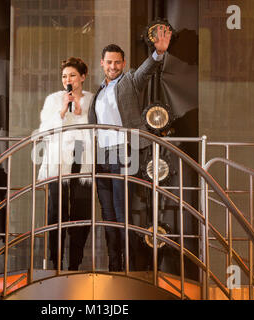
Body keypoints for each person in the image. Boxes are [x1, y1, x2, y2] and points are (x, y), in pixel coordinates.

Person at [88, 25, 172, 271]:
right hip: (102, 155)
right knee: (108, 214)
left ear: (123, 64)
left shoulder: (129, 81)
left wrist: (158, 53)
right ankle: (114, 266)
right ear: (102, 64)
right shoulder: (100, 92)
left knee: (121, 210)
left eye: (117, 63)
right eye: (108, 63)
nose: (113, 67)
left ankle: (128, 268)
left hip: (123, 151)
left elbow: (145, 71)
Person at [37, 57, 93, 270]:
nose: (67, 79)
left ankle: (75, 264)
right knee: (56, 210)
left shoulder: (91, 99)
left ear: (82, 77)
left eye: (72, 75)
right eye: (64, 76)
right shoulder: (53, 99)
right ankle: (56, 261)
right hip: (59, 159)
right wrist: (63, 110)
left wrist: (80, 113)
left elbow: (96, 128)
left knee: (81, 209)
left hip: (82, 156)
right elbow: (44, 131)